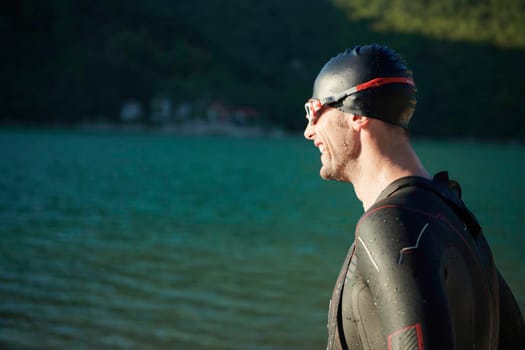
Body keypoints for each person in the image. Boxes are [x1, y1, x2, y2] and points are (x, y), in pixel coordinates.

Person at [303, 44, 525, 349]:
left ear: (356, 113)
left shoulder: (391, 227)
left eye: (314, 111)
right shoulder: (456, 217)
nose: (308, 131)